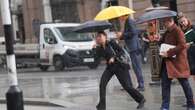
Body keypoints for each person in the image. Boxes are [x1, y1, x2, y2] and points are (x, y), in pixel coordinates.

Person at [93, 31, 145, 110]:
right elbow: (96, 61)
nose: (99, 38)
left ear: (105, 37)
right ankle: (102, 106)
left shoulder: (111, 43)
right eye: (97, 37)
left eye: (100, 36)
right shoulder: (99, 48)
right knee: (102, 84)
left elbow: (121, 51)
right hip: (110, 68)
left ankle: (141, 99)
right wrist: (94, 49)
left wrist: (113, 57)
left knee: (127, 86)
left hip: (120, 66)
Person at [160, 17, 194, 110]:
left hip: (178, 62)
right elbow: (161, 42)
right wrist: (157, 38)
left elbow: (182, 45)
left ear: (170, 21)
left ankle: (191, 105)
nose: (164, 24)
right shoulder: (167, 32)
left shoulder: (178, 31)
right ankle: (165, 106)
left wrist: (169, 52)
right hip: (167, 63)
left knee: (184, 83)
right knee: (165, 85)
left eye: (165, 22)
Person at [116, 15, 145, 91]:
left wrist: (122, 35)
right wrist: (121, 36)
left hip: (134, 48)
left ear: (124, 15)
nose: (119, 18)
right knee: (135, 67)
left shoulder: (129, 21)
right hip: (132, 48)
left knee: (137, 67)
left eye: (120, 16)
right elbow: (129, 34)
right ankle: (139, 85)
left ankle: (141, 85)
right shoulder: (127, 22)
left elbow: (133, 32)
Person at [177, 12, 195, 78]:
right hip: (188, 55)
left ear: (187, 19)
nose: (183, 23)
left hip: (193, 51)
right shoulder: (180, 31)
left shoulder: (193, 28)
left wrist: (190, 43)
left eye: (184, 21)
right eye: (181, 22)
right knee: (193, 73)